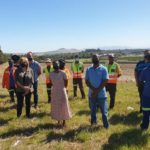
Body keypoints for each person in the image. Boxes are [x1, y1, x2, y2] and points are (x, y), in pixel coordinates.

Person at [85, 54, 109, 128]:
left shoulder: (104, 69)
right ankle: (93, 124)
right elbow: (87, 81)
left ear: (99, 59)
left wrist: (97, 91)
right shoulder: (88, 69)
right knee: (92, 111)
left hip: (102, 94)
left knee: (104, 112)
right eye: (93, 58)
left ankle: (106, 126)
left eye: (96, 58)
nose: (95, 59)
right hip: (91, 94)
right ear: (92, 60)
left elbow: (105, 81)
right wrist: (94, 90)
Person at [50, 61, 72, 127]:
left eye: (57, 64)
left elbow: (66, 83)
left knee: (63, 105)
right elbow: (51, 82)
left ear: (59, 65)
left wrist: (62, 88)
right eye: (54, 64)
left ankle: (64, 121)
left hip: (62, 90)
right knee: (56, 106)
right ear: (53, 66)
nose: (56, 65)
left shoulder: (63, 73)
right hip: (55, 91)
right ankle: (58, 120)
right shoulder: (51, 74)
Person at [139, 54, 150, 130]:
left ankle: (144, 127)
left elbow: (141, 80)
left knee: (146, 112)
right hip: (147, 93)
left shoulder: (145, 70)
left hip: (147, 94)